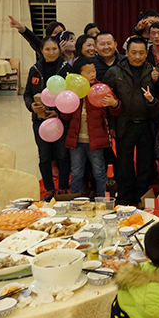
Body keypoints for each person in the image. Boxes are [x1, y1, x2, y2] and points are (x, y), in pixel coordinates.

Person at [103, 37, 159, 205]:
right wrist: (111, 125)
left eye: (141, 53)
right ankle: (125, 198)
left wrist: (157, 82)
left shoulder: (154, 71)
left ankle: (141, 197)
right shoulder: (114, 72)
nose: (137, 57)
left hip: (147, 124)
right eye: (133, 53)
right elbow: (107, 101)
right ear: (126, 52)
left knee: (145, 164)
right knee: (124, 163)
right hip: (124, 124)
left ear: (146, 53)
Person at [60, 58, 121, 197]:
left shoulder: (101, 89)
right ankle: (75, 200)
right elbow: (66, 117)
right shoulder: (72, 91)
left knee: (99, 171)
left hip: (96, 140)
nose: (93, 74)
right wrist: (65, 104)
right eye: (88, 72)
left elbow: (116, 110)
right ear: (79, 75)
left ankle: (103, 199)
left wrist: (114, 103)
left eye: (93, 71)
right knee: (76, 172)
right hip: (76, 141)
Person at [24, 35, 71, 200]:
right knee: (44, 157)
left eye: (54, 49)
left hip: (60, 120)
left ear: (59, 49)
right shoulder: (35, 69)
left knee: (62, 155)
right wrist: (32, 106)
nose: (51, 52)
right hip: (40, 121)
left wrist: (58, 111)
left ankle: (63, 187)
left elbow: (70, 95)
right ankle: (49, 188)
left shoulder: (66, 69)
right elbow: (27, 94)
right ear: (41, 51)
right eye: (47, 49)